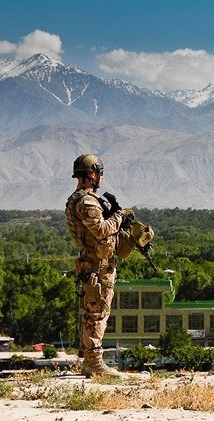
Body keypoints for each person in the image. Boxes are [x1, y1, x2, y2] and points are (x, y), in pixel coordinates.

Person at [65, 153, 144, 377]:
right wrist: (119, 216)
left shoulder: (83, 199)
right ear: (91, 174)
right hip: (96, 266)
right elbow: (100, 230)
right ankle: (94, 363)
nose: (100, 178)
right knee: (96, 314)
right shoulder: (87, 201)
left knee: (96, 312)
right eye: (99, 174)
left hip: (96, 263)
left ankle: (91, 360)